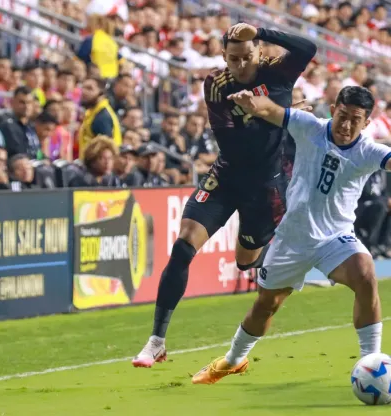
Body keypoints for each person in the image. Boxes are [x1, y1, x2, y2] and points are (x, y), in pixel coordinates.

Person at [190, 86, 391, 384]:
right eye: (342, 115)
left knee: (365, 274)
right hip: (292, 238)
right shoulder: (309, 126)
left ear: (366, 123)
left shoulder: (368, 150)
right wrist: (251, 103)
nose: (347, 124)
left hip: (335, 238)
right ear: (333, 108)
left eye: (355, 119)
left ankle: (371, 362)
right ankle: (233, 360)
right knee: (266, 305)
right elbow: (271, 110)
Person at [132, 23, 318, 368]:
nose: (241, 65)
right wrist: (276, 115)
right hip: (227, 176)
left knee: (246, 262)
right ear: (223, 57)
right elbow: (233, 144)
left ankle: (279, 270)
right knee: (184, 243)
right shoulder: (215, 84)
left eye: (248, 57)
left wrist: (261, 30)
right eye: (234, 59)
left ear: (259, 53)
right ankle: (156, 341)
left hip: (266, 188)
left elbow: (308, 47)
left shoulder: (278, 74)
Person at [78, 77, 122, 157]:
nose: (84, 92)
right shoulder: (93, 113)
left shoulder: (102, 117)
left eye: (89, 88)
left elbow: (104, 150)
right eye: (83, 88)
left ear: (102, 93)